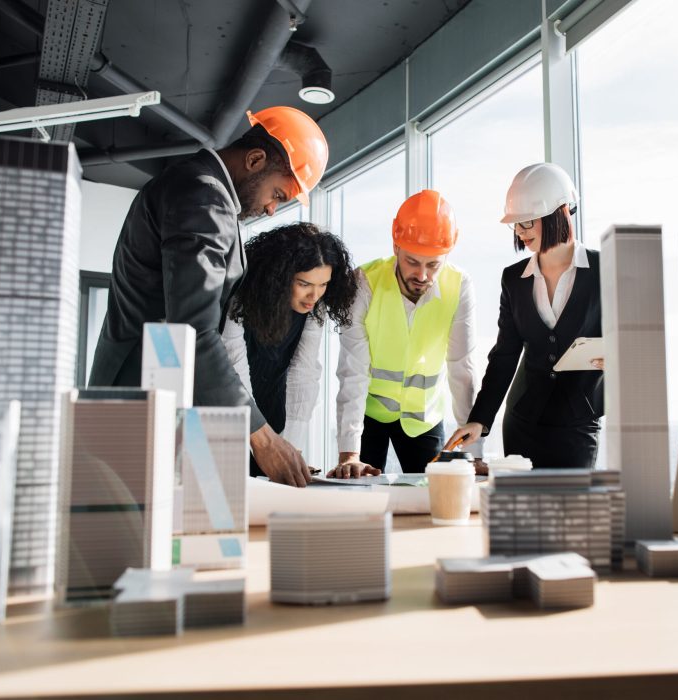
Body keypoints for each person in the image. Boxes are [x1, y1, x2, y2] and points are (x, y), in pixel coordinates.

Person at [88, 106, 328, 487]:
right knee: (134, 536)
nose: (270, 209)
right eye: (277, 195)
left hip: (158, 395)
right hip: (142, 398)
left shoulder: (196, 188)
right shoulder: (204, 197)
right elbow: (193, 329)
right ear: (255, 159)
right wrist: (263, 438)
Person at [444, 163, 604, 469]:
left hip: (578, 424)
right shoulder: (514, 279)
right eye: (516, 225)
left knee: (572, 513)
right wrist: (479, 420)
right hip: (522, 423)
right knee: (522, 514)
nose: (519, 232)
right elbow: (504, 356)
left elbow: (629, 339)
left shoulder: (603, 269)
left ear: (558, 213)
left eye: (526, 223)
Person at [328, 190, 484, 478]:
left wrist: (473, 453)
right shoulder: (364, 283)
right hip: (369, 414)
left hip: (424, 419)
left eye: (433, 264)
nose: (422, 275)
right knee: (362, 495)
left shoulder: (459, 286)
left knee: (433, 496)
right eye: (413, 261)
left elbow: (462, 367)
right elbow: (354, 371)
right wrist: (350, 453)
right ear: (396, 246)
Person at [221, 223, 359, 478]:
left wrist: (290, 449)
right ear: (280, 276)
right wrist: (261, 442)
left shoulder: (314, 310)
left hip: (273, 415)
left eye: (323, 285)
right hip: (228, 416)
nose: (314, 295)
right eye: (304, 283)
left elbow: (303, 376)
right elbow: (233, 366)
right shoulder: (240, 299)